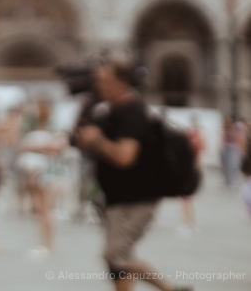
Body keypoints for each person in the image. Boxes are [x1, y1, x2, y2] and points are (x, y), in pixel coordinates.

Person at [76, 56, 192, 291]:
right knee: (120, 258)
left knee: (115, 254)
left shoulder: (133, 112)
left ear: (123, 82)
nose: (99, 85)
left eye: (105, 80)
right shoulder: (107, 112)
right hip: (116, 198)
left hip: (137, 199)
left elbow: (124, 156)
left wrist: (95, 140)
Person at [15, 99, 67, 256]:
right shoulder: (34, 125)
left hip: (49, 172)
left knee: (47, 209)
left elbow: (58, 147)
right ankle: (42, 242)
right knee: (38, 208)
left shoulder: (55, 126)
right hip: (35, 172)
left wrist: (36, 147)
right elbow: (19, 145)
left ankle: (49, 244)